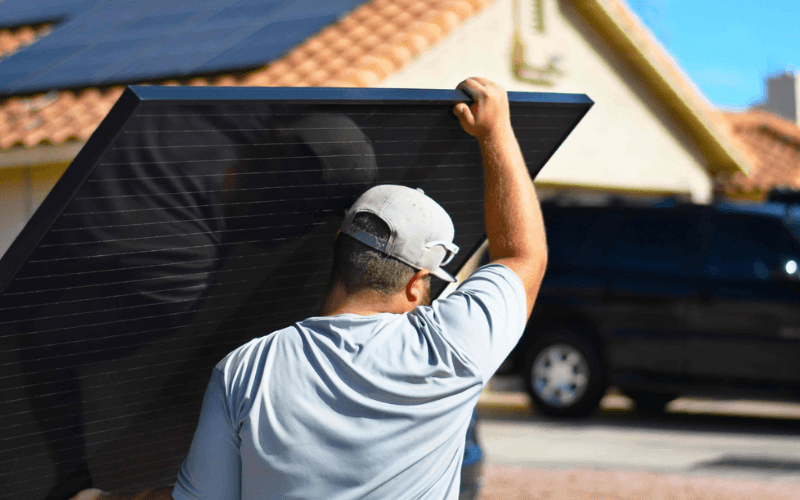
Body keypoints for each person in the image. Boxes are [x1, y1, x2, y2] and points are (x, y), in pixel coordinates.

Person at [71, 76, 548, 500]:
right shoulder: (450, 350)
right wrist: (495, 133)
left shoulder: (245, 369)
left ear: (337, 246)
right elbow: (522, 255)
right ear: (417, 285)